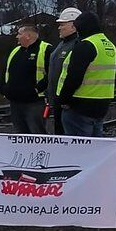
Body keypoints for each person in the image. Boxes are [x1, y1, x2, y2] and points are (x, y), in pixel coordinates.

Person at [56, 12, 116, 137]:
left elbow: (74, 77)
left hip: (79, 106)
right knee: (94, 148)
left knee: (78, 149)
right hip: (101, 106)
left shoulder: (86, 45)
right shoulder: (108, 45)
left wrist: (63, 99)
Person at [0, 24, 51, 134]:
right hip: (15, 102)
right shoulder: (15, 51)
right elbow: (6, 71)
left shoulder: (45, 49)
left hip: (35, 103)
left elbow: (52, 74)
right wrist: (3, 88)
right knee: (20, 135)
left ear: (28, 36)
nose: (16, 37)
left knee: (36, 134)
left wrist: (37, 89)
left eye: (19, 34)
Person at [46, 7, 81, 135]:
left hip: (68, 103)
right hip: (58, 101)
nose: (59, 28)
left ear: (73, 26)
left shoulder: (78, 45)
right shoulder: (62, 45)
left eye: (62, 24)